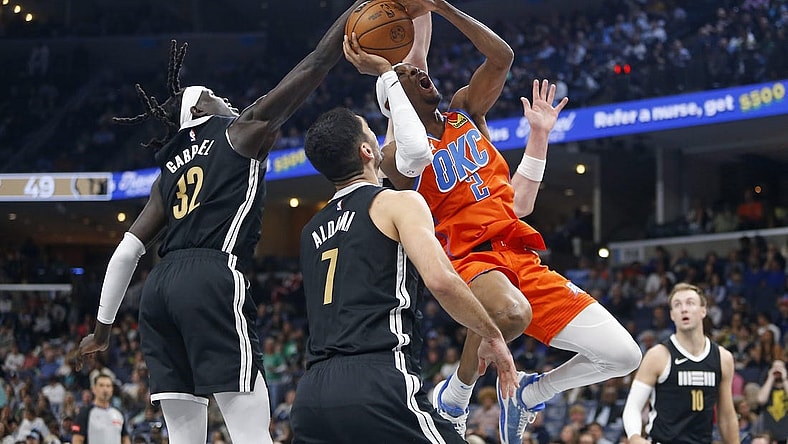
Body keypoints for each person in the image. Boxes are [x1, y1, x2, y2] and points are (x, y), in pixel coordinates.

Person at [345, 1, 642, 442]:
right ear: (395, 100)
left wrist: (438, 7)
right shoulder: (396, 158)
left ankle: (530, 393)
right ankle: (456, 393)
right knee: (510, 313)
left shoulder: (465, 111)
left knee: (624, 355)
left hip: (519, 256)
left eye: (418, 70)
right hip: (470, 261)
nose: (419, 72)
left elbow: (501, 57)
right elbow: (408, 129)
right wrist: (389, 74)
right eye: (407, 75)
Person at [74, 2, 367, 443]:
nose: (227, 100)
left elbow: (127, 251)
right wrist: (353, 13)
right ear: (199, 109)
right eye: (214, 95)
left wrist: (102, 330)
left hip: (158, 290)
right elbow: (313, 65)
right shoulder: (239, 131)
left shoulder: (167, 172)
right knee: (250, 431)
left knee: (183, 436)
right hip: (211, 275)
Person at [289, 106, 518, 442]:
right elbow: (440, 280)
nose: (377, 136)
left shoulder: (310, 230)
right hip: (377, 381)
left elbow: (385, 163)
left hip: (312, 395)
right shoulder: (399, 203)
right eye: (370, 130)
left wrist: (394, 95)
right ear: (366, 151)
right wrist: (492, 334)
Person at [622, 283, 739, 444]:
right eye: (677, 305)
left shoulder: (722, 358)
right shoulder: (658, 355)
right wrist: (635, 437)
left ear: (703, 310)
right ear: (672, 315)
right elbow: (633, 406)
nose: (684, 309)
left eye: (690, 303)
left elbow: (726, 416)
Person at [72, 374, 130, 444]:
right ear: (94, 389)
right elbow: (77, 440)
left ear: (112, 389)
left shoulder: (119, 413)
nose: (105, 389)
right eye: (101, 385)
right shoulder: (85, 413)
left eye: (108, 386)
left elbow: (125, 439)